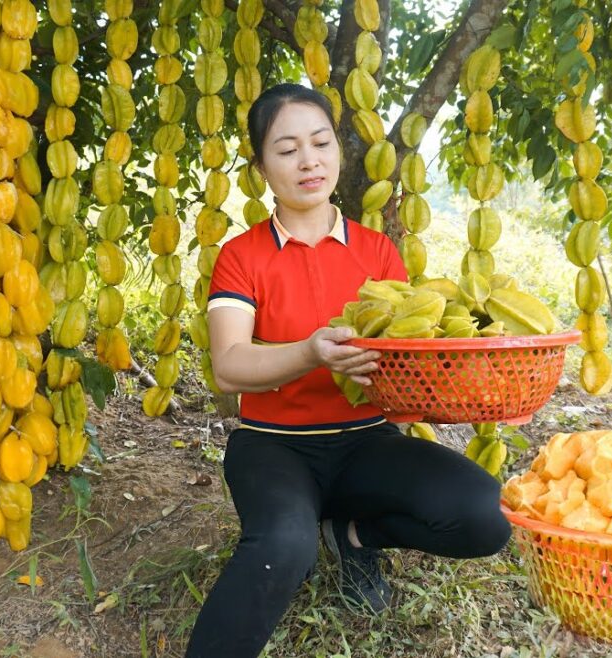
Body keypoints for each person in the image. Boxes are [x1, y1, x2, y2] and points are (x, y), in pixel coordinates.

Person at [184, 83, 511, 658]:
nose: (308, 160)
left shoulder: (378, 250)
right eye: (286, 150)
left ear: (338, 152)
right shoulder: (242, 254)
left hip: (367, 442)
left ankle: (355, 536)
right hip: (273, 445)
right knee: (284, 546)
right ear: (262, 166)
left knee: (487, 518)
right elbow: (230, 367)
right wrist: (310, 352)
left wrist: (461, 376)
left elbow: (406, 364)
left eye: (321, 143)